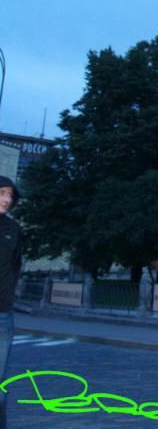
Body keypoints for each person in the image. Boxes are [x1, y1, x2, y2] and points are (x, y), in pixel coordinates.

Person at [0, 176, 21, 429]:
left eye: (10, 195)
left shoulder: (13, 229)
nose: (7, 199)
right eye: (2, 193)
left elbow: (16, 265)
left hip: (2, 315)